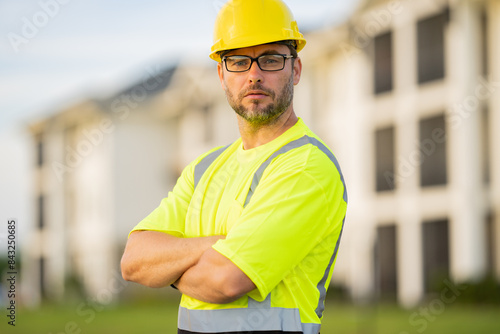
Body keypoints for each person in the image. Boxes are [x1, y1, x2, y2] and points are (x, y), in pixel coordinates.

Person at [120, 0, 347, 333]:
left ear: (295, 70)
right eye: (239, 61)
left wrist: (170, 265)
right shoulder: (204, 168)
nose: (254, 75)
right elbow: (134, 260)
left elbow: (224, 279)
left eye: (270, 60)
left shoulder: (307, 167)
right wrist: (214, 245)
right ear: (221, 74)